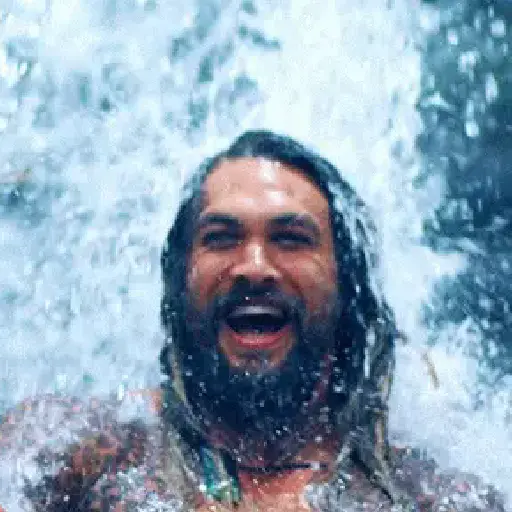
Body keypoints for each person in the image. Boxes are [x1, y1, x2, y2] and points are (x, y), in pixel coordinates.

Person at [0, 131, 505, 511]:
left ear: (346, 287)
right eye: (221, 238)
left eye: (291, 239)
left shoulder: (428, 497)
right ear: (180, 281)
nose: (254, 266)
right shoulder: (77, 450)